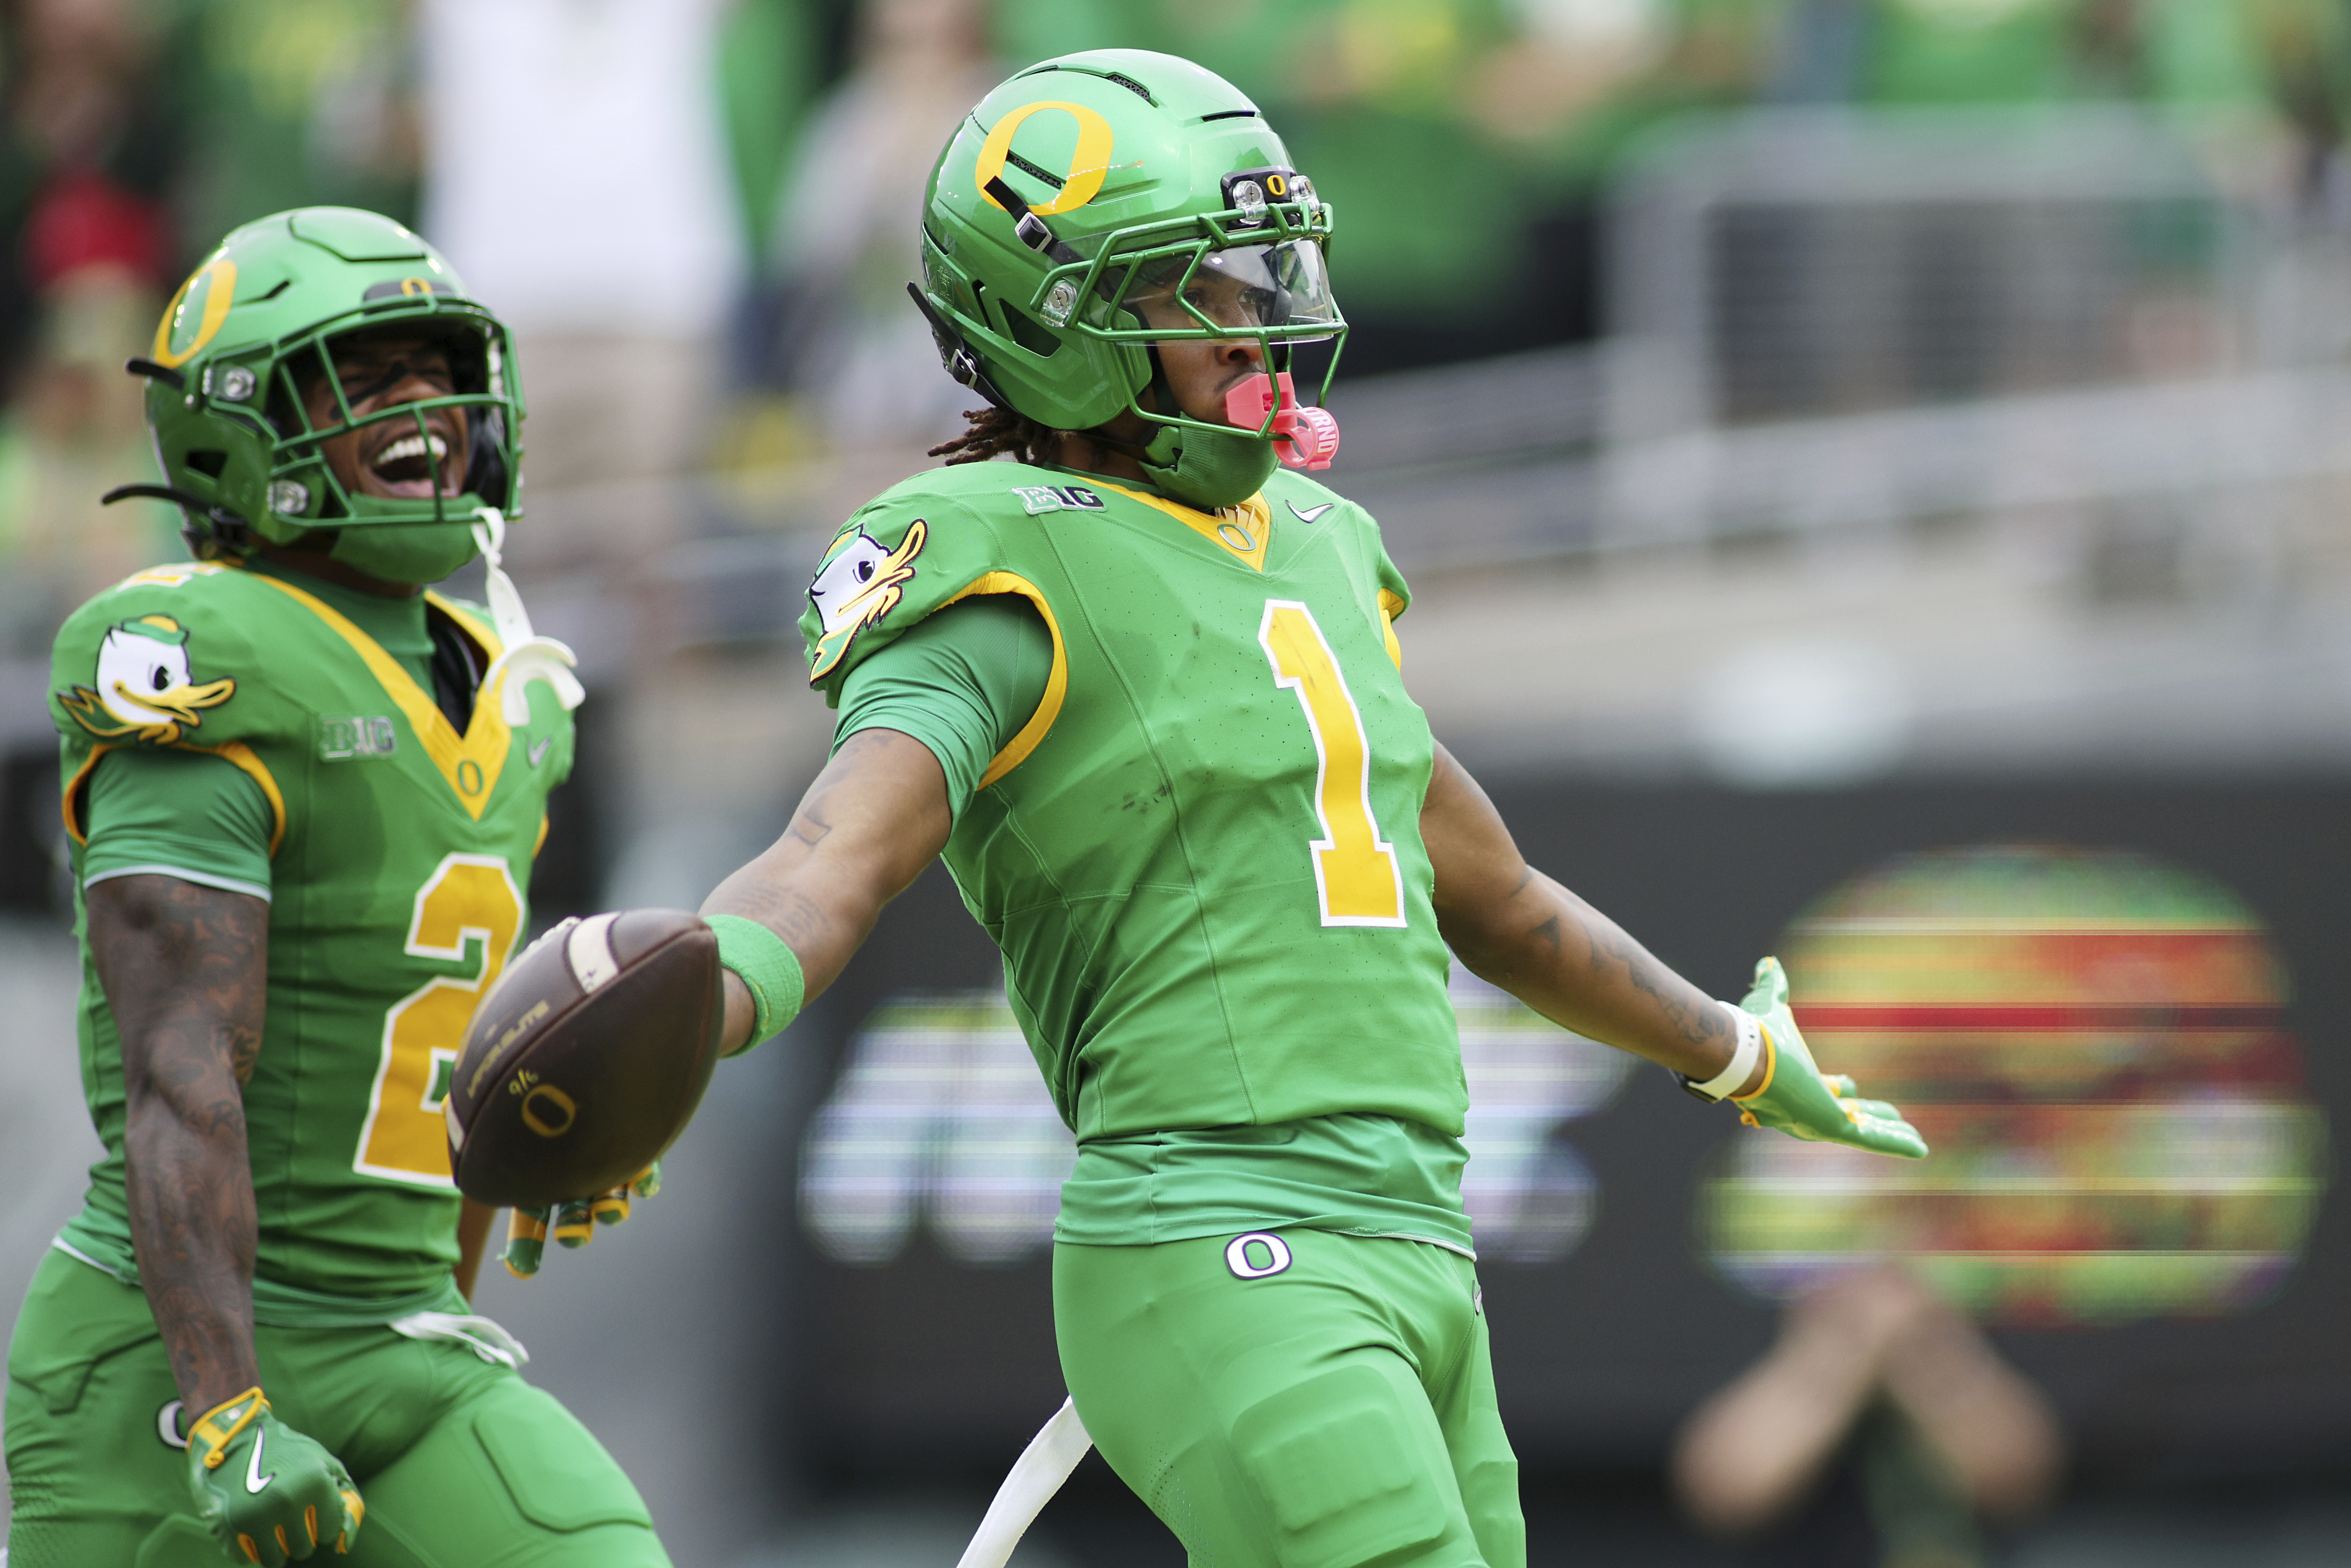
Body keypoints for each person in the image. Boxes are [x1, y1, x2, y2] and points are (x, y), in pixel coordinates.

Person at [575, 49, 1925, 1568]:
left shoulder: (1318, 542)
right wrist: (694, 993)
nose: (1259, 319)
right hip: (1215, 1234)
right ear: (1056, 322)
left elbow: (1491, 890)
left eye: (1263, 270)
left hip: (1415, 1243)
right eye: (1201, 290)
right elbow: (831, 855)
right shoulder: (999, 553)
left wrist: (1734, 1049)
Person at [2, 207, 666, 1567]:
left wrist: (535, 1132)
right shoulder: (200, 652)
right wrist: (226, 1409)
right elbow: (180, 1072)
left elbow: (444, 1025)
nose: (425, 405)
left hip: (404, 1337)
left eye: (437, 368)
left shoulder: (508, 674)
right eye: (366, 378)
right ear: (239, 429)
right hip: (170, 1367)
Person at [1673, 1264, 2064, 1567]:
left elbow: (2018, 1476)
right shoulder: (1761, 1310)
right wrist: (1843, 1351)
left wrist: (1921, 1348)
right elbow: (1725, 1487)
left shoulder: (1977, 1308)